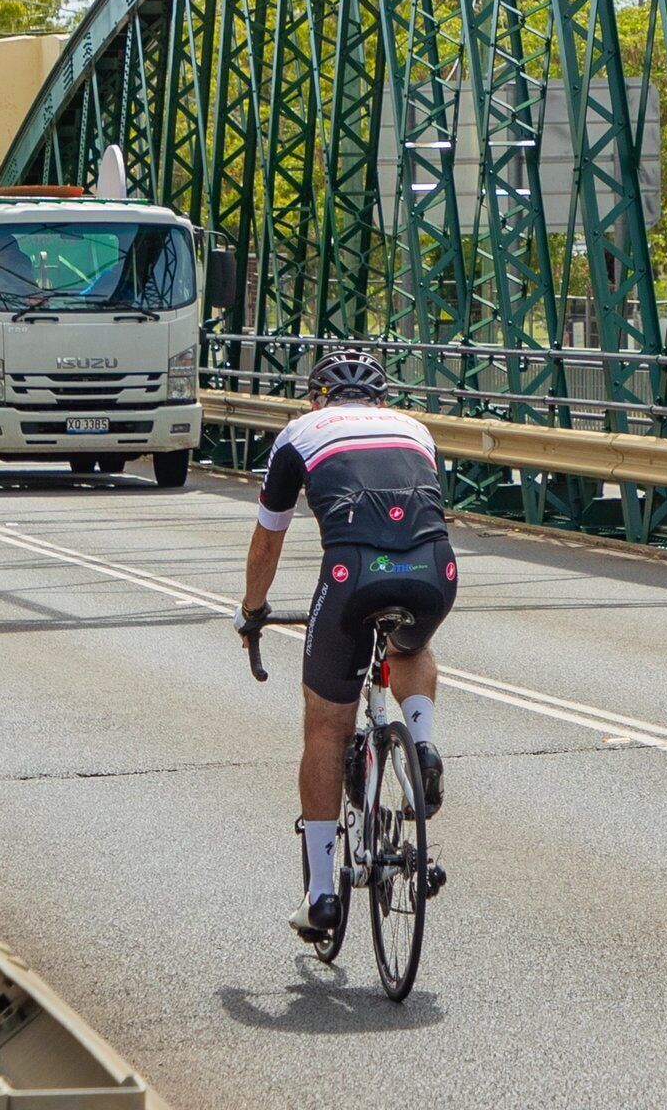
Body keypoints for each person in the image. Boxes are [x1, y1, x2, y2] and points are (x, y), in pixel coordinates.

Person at [237, 346, 453, 946]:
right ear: (382, 402)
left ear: (315, 400)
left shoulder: (299, 434)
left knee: (327, 730)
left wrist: (253, 610)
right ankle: (424, 747)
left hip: (351, 575)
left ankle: (324, 896)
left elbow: (267, 541)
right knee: (409, 650)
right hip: (436, 569)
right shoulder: (416, 429)